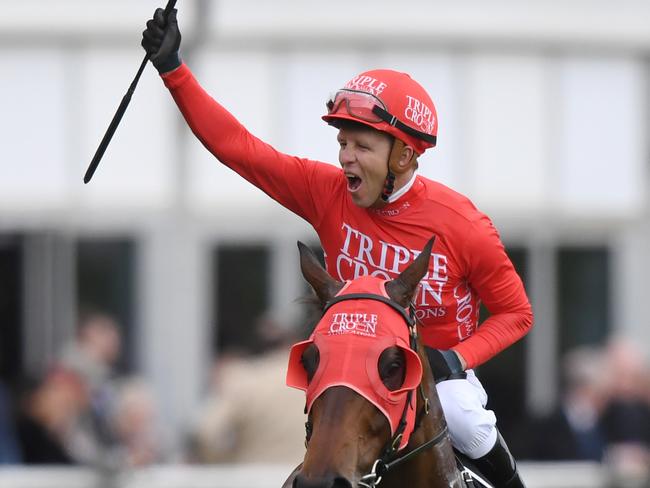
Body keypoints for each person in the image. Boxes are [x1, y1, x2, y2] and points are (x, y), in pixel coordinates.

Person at [142, 9, 533, 487]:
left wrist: (456, 359)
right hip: (350, 372)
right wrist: (173, 70)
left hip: (432, 381)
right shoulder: (324, 191)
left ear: (405, 154)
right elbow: (238, 147)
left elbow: (517, 314)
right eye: (342, 142)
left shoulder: (463, 225)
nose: (346, 157)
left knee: (466, 420)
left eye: (361, 146)